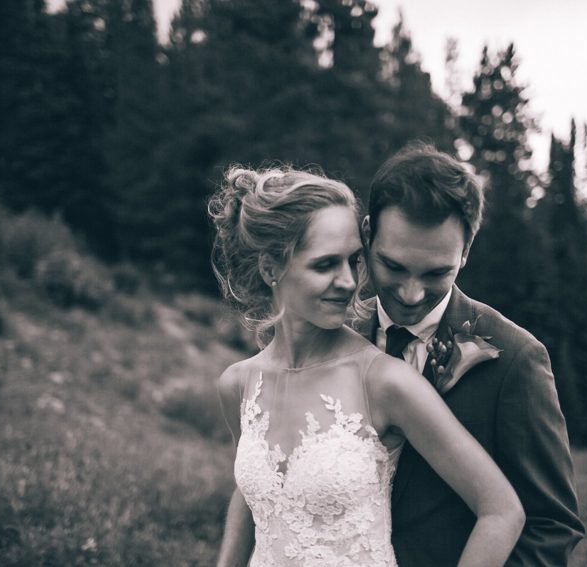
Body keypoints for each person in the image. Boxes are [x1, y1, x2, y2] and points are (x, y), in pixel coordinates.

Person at [210, 165, 524, 567]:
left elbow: (501, 510)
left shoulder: (385, 380)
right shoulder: (237, 383)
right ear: (271, 268)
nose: (348, 281)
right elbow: (252, 493)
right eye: (325, 265)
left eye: (354, 261)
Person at [352, 142, 585, 566]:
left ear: (466, 253)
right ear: (367, 235)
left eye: (437, 272)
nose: (411, 293)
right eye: (394, 266)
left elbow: (551, 527)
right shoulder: (337, 336)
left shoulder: (515, 359)